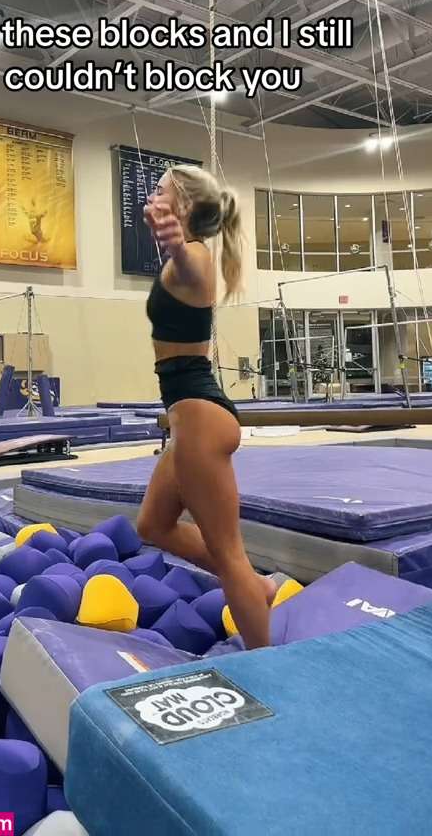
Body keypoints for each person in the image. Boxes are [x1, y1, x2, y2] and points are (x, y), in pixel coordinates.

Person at [137, 165, 275, 649]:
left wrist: (176, 244)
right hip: (190, 418)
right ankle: (258, 587)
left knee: (228, 554)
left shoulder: (193, 256)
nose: (151, 196)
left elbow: (192, 267)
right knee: (154, 525)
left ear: (183, 205)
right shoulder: (183, 258)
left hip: (200, 417)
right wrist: (173, 247)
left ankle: (269, 666)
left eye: (160, 190)